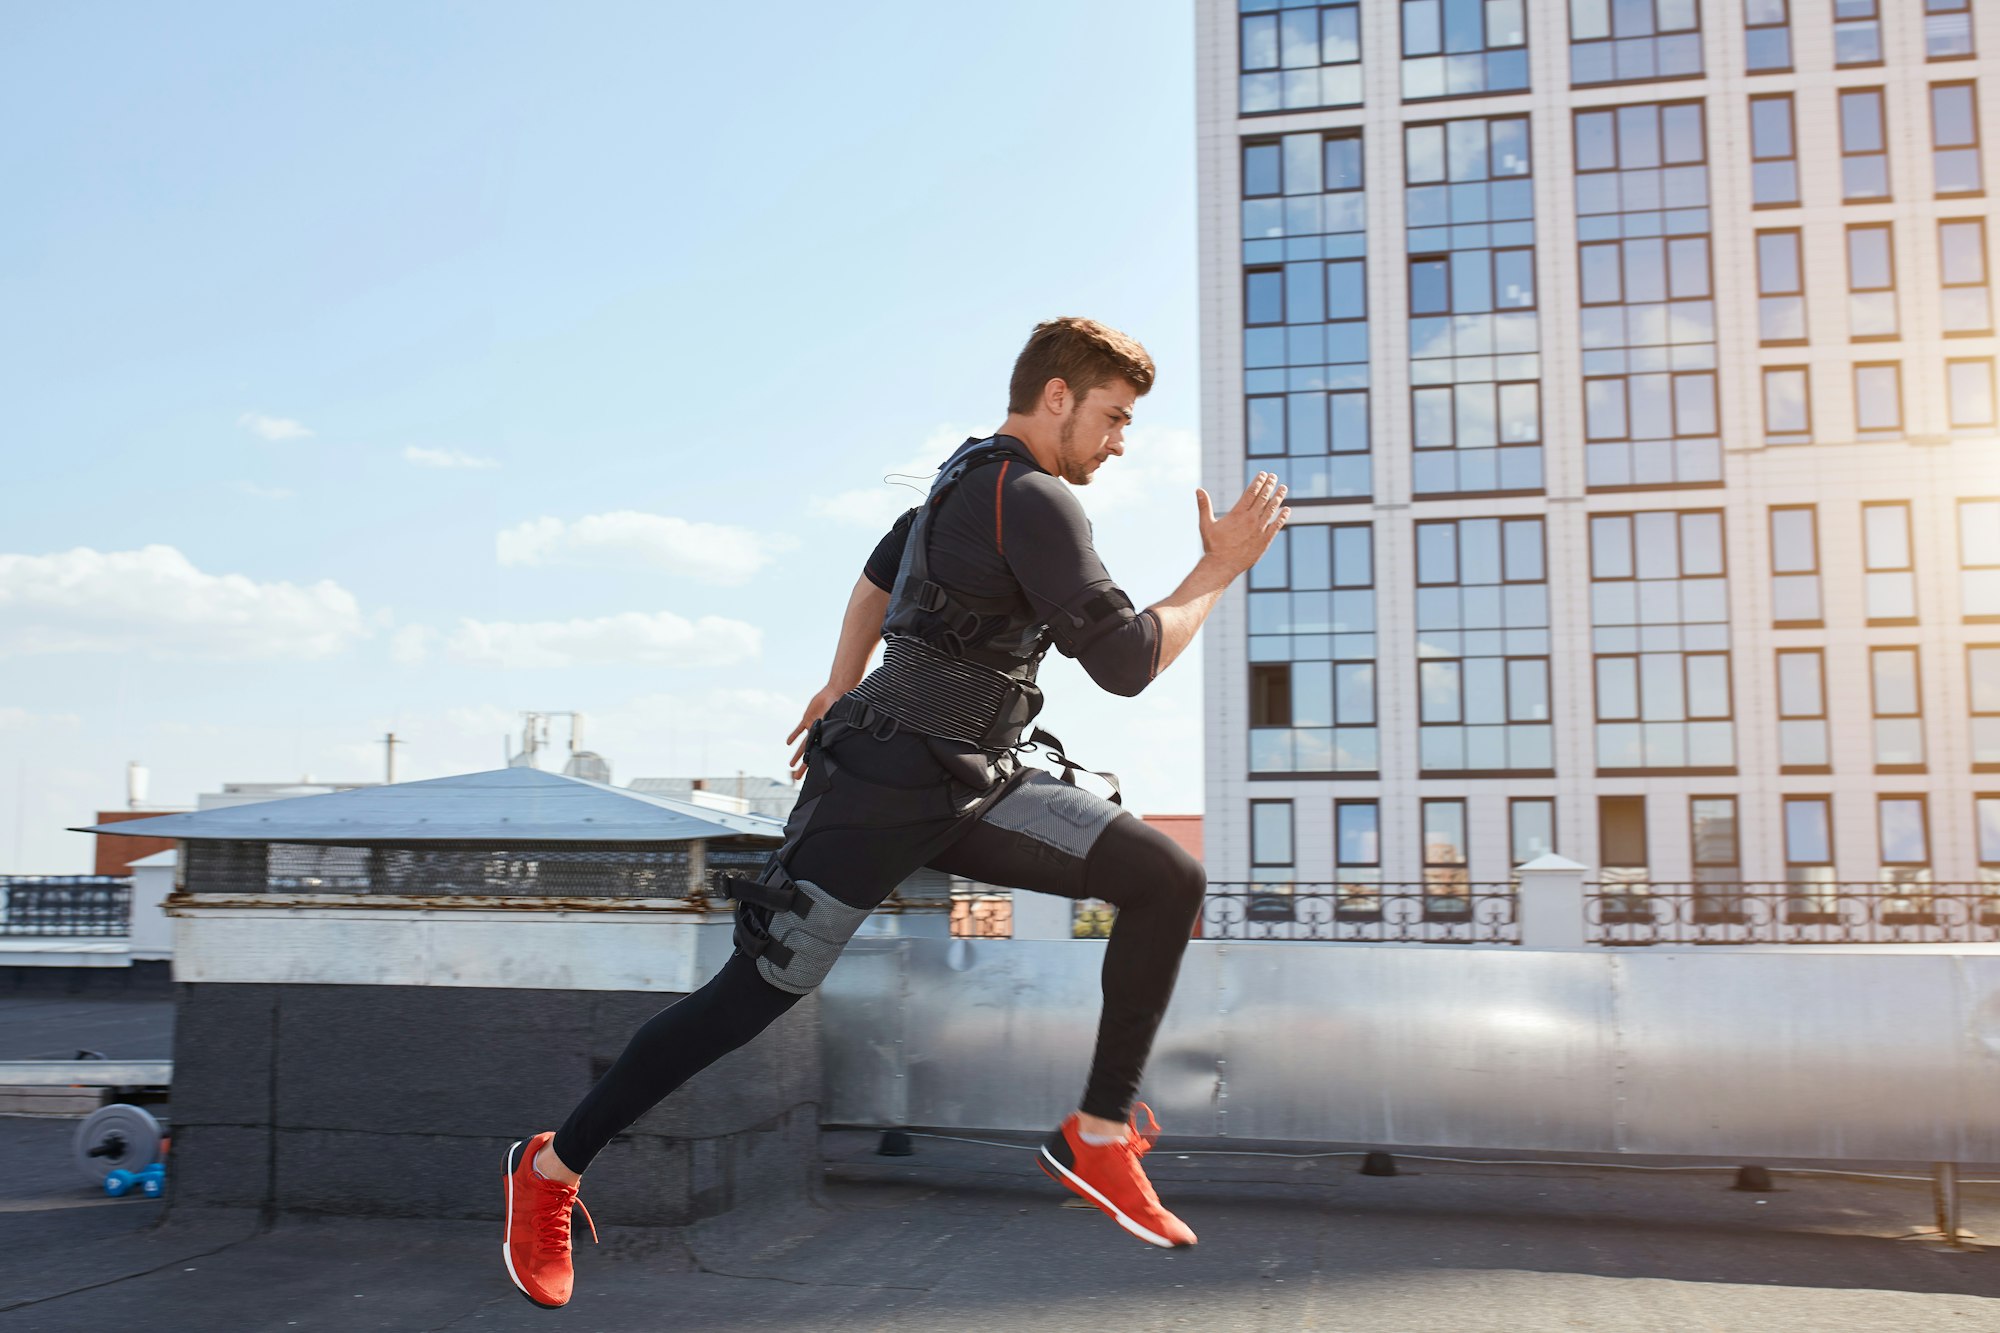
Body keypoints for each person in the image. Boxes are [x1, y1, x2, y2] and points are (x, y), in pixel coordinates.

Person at [501, 317, 1288, 1308]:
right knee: (750, 997)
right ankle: (550, 1169)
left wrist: (836, 683)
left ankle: (1094, 1133)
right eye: (1112, 417)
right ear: (1055, 396)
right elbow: (1126, 661)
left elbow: (877, 576)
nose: (1119, 442)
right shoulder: (1026, 495)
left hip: (976, 778)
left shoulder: (963, 482)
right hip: (875, 789)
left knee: (1162, 874)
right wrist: (1216, 568)